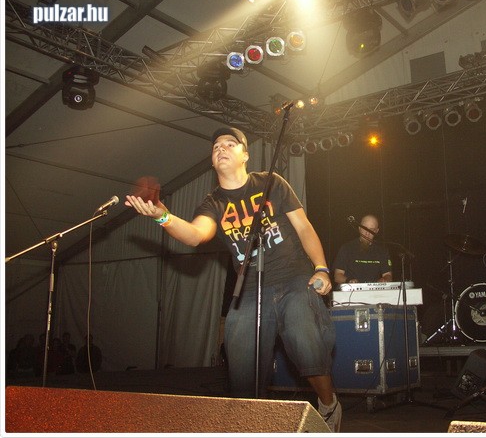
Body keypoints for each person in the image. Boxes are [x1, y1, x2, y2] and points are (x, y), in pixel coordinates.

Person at [125, 126, 341, 432]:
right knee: (241, 363)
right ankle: (252, 424)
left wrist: (321, 267)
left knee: (303, 334)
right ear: (213, 162)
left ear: (245, 155)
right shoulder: (213, 202)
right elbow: (196, 235)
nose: (221, 149)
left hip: (293, 278)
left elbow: (303, 227)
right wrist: (163, 216)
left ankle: (328, 404)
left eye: (229, 144)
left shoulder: (270, 183)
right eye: (216, 147)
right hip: (249, 289)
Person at [333, 214, 392, 287]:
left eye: (371, 230)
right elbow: (337, 276)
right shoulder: (346, 248)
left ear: (376, 231)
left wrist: (384, 279)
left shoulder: (382, 251)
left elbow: (388, 275)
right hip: (351, 291)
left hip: (374, 291)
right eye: (365, 228)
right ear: (359, 228)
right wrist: (349, 281)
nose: (367, 233)